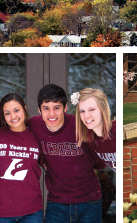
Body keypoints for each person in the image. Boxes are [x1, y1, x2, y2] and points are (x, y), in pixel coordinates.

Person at [27, 84, 105, 223]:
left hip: (89, 202)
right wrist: (41, 160)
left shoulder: (80, 125)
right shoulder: (34, 125)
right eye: (46, 108)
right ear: (39, 110)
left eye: (56, 107)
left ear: (65, 107)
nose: (51, 114)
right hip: (57, 203)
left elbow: (99, 160)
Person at [0, 93, 43, 223]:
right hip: (3, 211)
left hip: (32, 211)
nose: (13, 116)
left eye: (16, 110)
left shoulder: (36, 136)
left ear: (24, 109)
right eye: (7, 113)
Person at [73, 88, 116, 172]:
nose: (86, 116)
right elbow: (98, 165)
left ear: (103, 109)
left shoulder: (116, 130)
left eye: (91, 109)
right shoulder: (90, 141)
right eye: (82, 111)